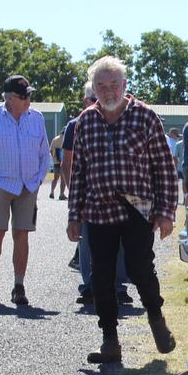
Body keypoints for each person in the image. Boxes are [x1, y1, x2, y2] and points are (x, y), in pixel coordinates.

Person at [67, 55, 178, 361]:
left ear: (124, 85)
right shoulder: (85, 122)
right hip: (98, 210)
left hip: (137, 208)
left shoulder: (145, 116)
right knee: (100, 276)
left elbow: (165, 168)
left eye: (114, 84)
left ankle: (156, 319)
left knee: (139, 267)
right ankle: (110, 341)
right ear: (94, 89)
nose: (108, 91)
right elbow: (78, 172)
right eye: (101, 86)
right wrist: (73, 216)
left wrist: (166, 211)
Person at [0, 75, 52, 307]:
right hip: (0, 183)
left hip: (28, 185)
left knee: (22, 233)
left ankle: (19, 285)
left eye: (29, 94)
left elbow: (43, 152)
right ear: (8, 99)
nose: (28, 99)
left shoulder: (36, 118)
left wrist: (38, 179)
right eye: (23, 95)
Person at [62, 85, 132, 306]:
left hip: (118, 196)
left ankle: (118, 286)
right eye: (94, 97)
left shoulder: (123, 120)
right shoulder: (76, 124)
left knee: (119, 243)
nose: (99, 100)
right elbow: (68, 163)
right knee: (86, 243)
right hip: (87, 194)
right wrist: (74, 195)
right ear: (86, 100)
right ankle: (89, 286)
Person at [48, 130, 66, 199]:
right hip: (64, 162)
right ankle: (61, 194)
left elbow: (51, 150)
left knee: (55, 178)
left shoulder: (55, 139)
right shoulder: (65, 138)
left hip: (56, 162)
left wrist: (54, 158)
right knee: (63, 179)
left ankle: (52, 192)